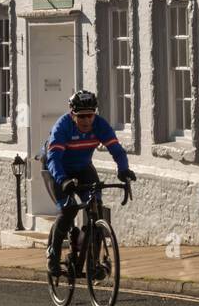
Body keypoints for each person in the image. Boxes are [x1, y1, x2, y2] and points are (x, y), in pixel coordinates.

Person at [45, 90, 135, 275]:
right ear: (72, 115)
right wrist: (63, 180)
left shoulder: (100, 125)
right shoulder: (62, 127)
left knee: (96, 209)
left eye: (90, 116)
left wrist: (123, 170)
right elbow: (53, 158)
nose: (86, 121)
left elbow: (117, 150)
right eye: (82, 117)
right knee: (69, 210)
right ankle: (53, 254)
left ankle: (92, 261)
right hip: (58, 169)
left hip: (84, 167)